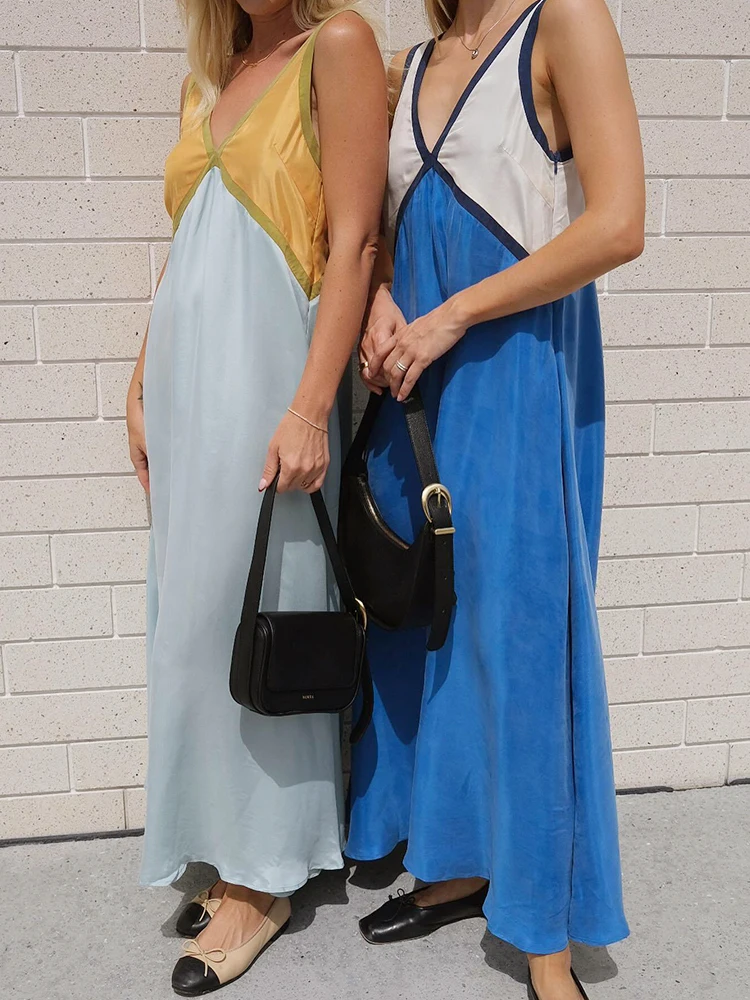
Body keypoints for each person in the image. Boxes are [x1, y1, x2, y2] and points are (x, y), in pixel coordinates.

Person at [348, 1, 644, 998]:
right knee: (424, 619)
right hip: (416, 382)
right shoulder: (415, 58)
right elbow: (391, 230)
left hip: (514, 368)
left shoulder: (564, 20)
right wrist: (383, 300)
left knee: (522, 636)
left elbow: (618, 223)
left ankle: (544, 927)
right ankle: (457, 859)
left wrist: (452, 316)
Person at [125, 0, 386, 994]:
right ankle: (219, 834)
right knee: (192, 621)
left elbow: (356, 241)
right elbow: (186, 250)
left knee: (264, 608)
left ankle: (264, 873)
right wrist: (139, 380)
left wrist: (312, 408)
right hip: (187, 388)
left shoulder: (338, 46)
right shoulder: (211, 77)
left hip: (267, 380)